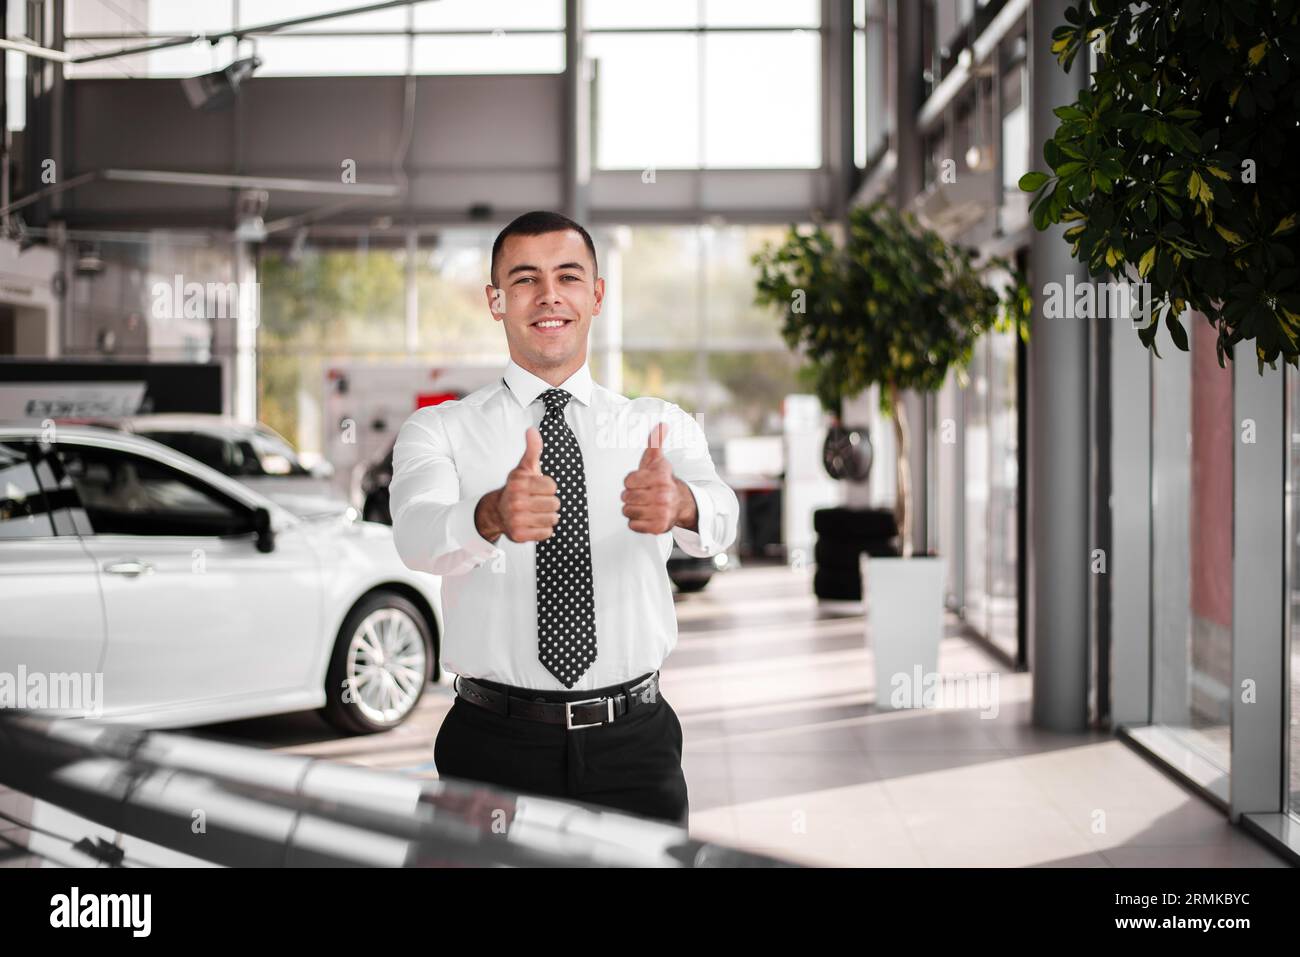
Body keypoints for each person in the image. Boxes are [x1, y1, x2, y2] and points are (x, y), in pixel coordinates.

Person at [389, 210, 739, 829]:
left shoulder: (656, 424)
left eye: (568, 276)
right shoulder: (439, 428)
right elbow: (417, 536)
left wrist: (680, 502)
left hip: (635, 746)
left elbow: (721, 514)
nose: (548, 296)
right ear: (495, 301)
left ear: (597, 294)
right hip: (492, 748)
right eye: (524, 280)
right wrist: (488, 514)